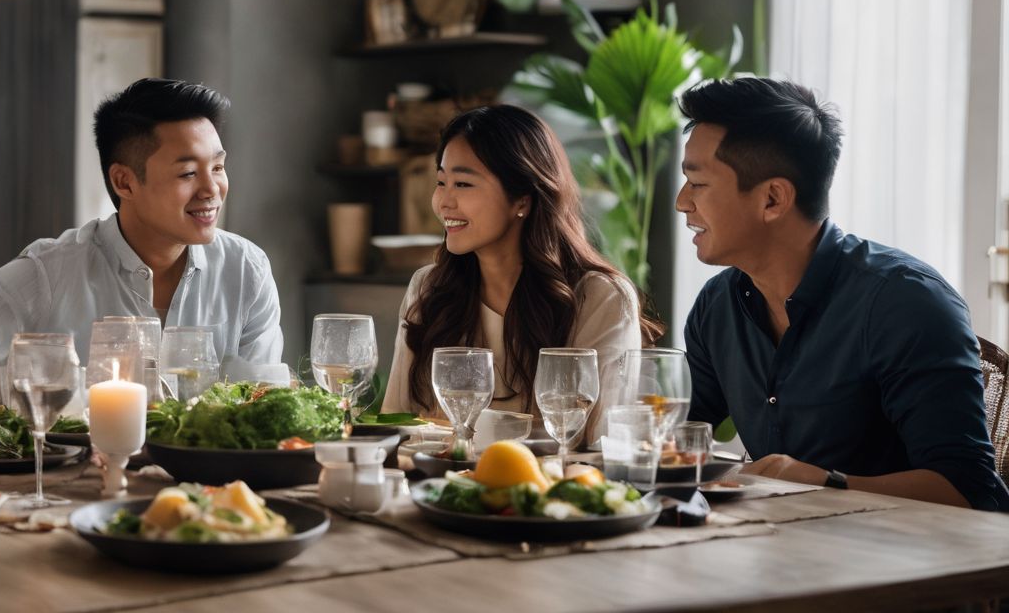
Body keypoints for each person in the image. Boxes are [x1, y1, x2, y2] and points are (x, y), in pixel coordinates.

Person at [678, 76, 1009, 510]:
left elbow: (970, 491)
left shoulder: (905, 304)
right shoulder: (718, 304)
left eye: (698, 183)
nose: (683, 202)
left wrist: (826, 482)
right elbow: (675, 436)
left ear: (773, 199)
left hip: (910, 566)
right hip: (782, 554)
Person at [382, 105, 661, 444]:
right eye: (441, 182)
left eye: (464, 184)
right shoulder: (428, 288)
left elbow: (606, 446)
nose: (444, 201)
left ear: (522, 201)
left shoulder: (600, 298)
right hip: (439, 491)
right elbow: (396, 425)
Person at [0, 78, 283, 367]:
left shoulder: (245, 270)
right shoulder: (48, 275)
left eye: (217, 167)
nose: (212, 189)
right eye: (188, 173)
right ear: (124, 182)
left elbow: (261, 404)